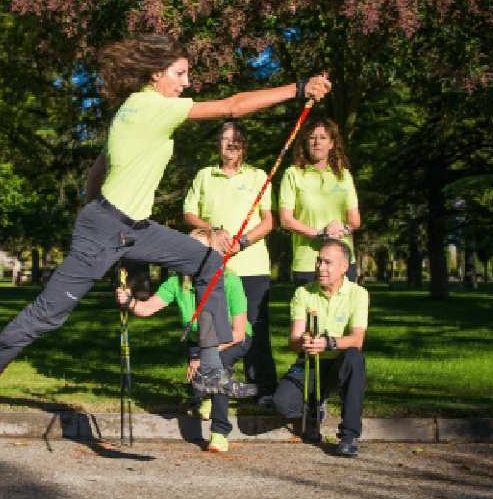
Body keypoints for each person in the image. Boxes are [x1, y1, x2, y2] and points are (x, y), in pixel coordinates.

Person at [0, 34, 331, 436]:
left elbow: (100, 168)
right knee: (47, 317)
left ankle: (210, 371)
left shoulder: (131, 109)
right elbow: (233, 105)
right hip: (109, 228)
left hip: (133, 228)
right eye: (180, 74)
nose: (186, 82)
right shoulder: (153, 106)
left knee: (209, 261)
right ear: (156, 74)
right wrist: (298, 88)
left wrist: (94, 210)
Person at [116, 229, 252, 453]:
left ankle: (219, 432)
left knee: (218, 369)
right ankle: (203, 397)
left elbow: (238, 332)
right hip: (200, 340)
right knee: (202, 380)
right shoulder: (176, 282)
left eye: (199, 250)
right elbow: (147, 308)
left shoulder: (229, 280)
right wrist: (129, 302)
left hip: (234, 339)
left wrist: (204, 356)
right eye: (187, 248)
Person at [183, 122, 276, 406]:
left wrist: (242, 242)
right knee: (216, 328)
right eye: (224, 139)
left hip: (252, 265)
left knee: (255, 330)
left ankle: (262, 389)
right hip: (215, 266)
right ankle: (214, 383)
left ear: (244, 145)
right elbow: (189, 213)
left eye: (235, 139)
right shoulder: (204, 175)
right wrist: (213, 231)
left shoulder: (259, 175)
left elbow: (270, 221)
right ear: (218, 145)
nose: (230, 143)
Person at [273, 239, 369, 457]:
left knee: (355, 358)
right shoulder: (303, 293)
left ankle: (349, 436)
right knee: (282, 404)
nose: (320, 267)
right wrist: (304, 342)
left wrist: (328, 342)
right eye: (318, 261)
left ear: (345, 267)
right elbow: (293, 340)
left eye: (328, 263)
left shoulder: (358, 294)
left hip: (339, 361)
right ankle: (317, 406)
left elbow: (357, 339)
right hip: (310, 362)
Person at [278, 117, 361, 284]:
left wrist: (342, 230)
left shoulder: (343, 175)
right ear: (306, 143)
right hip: (308, 262)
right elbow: (286, 220)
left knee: (344, 311)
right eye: (312, 137)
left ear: (331, 144)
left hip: (342, 262)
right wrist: (320, 234)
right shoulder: (293, 174)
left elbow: (355, 221)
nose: (317, 142)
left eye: (323, 138)